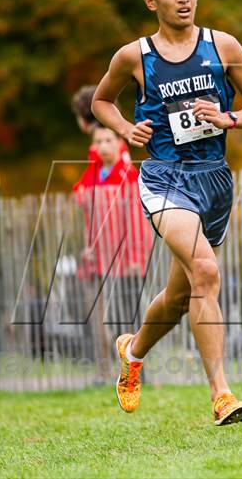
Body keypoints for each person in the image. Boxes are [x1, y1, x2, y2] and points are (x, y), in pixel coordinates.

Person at [92, 0, 242, 425]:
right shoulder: (134, 56)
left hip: (214, 179)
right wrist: (128, 128)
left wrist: (227, 118)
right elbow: (100, 101)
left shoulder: (223, 46)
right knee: (206, 272)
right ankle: (222, 394)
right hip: (164, 178)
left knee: (180, 295)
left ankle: (132, 352)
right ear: (152, 1)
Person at [74, 124, 151, 382]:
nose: (104, 146)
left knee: (129, 317)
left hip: (126, 261)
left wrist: (136, 258)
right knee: (106, 322)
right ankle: (112, 372)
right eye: (99, 141)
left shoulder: (128, 175)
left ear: (120, 143)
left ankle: (137, 372)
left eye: (109, 140)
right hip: (101, 260)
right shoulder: (94, 175)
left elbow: (137, 222)